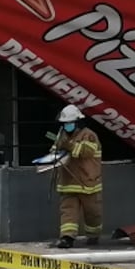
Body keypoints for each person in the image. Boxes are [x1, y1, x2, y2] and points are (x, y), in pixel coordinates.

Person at [50, 105, 103, 249]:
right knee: (68, 213)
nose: (67, 126)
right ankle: (67, 238)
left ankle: (93, 235)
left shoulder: (89, 135)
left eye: (70, 123)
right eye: (65, 124)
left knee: (92, 214)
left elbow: (86, 151)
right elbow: (54, 152)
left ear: (78, 122)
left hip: (88, 183)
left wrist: (68, 145)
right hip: (68, 183)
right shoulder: (62, 136)